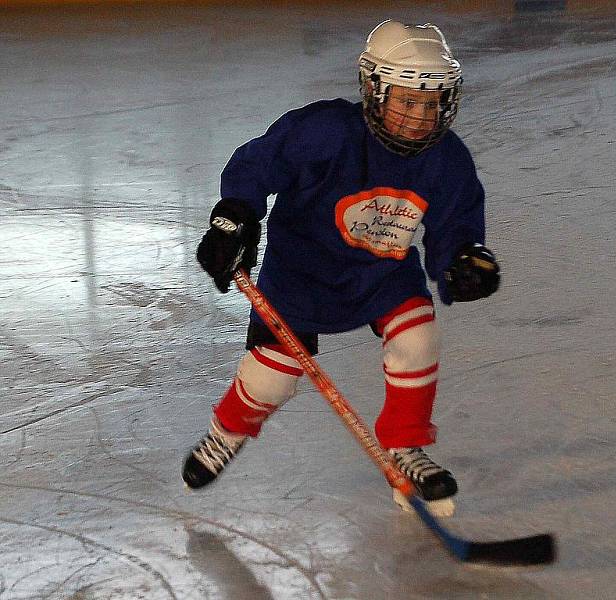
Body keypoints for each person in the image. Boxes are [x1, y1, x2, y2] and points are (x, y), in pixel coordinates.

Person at [182, 20, 500, 517]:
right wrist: (233, 219)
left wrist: (464, 259)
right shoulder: (324, 132)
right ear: (374, 90)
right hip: (299, 279)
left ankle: (404, 445)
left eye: (432, 101)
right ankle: (227, 433)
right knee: (271, 380)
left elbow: (456, 224)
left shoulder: (447, 159)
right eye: (407, 101)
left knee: (417, 337)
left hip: (382, 277)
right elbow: (254, 164)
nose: (421, 116)